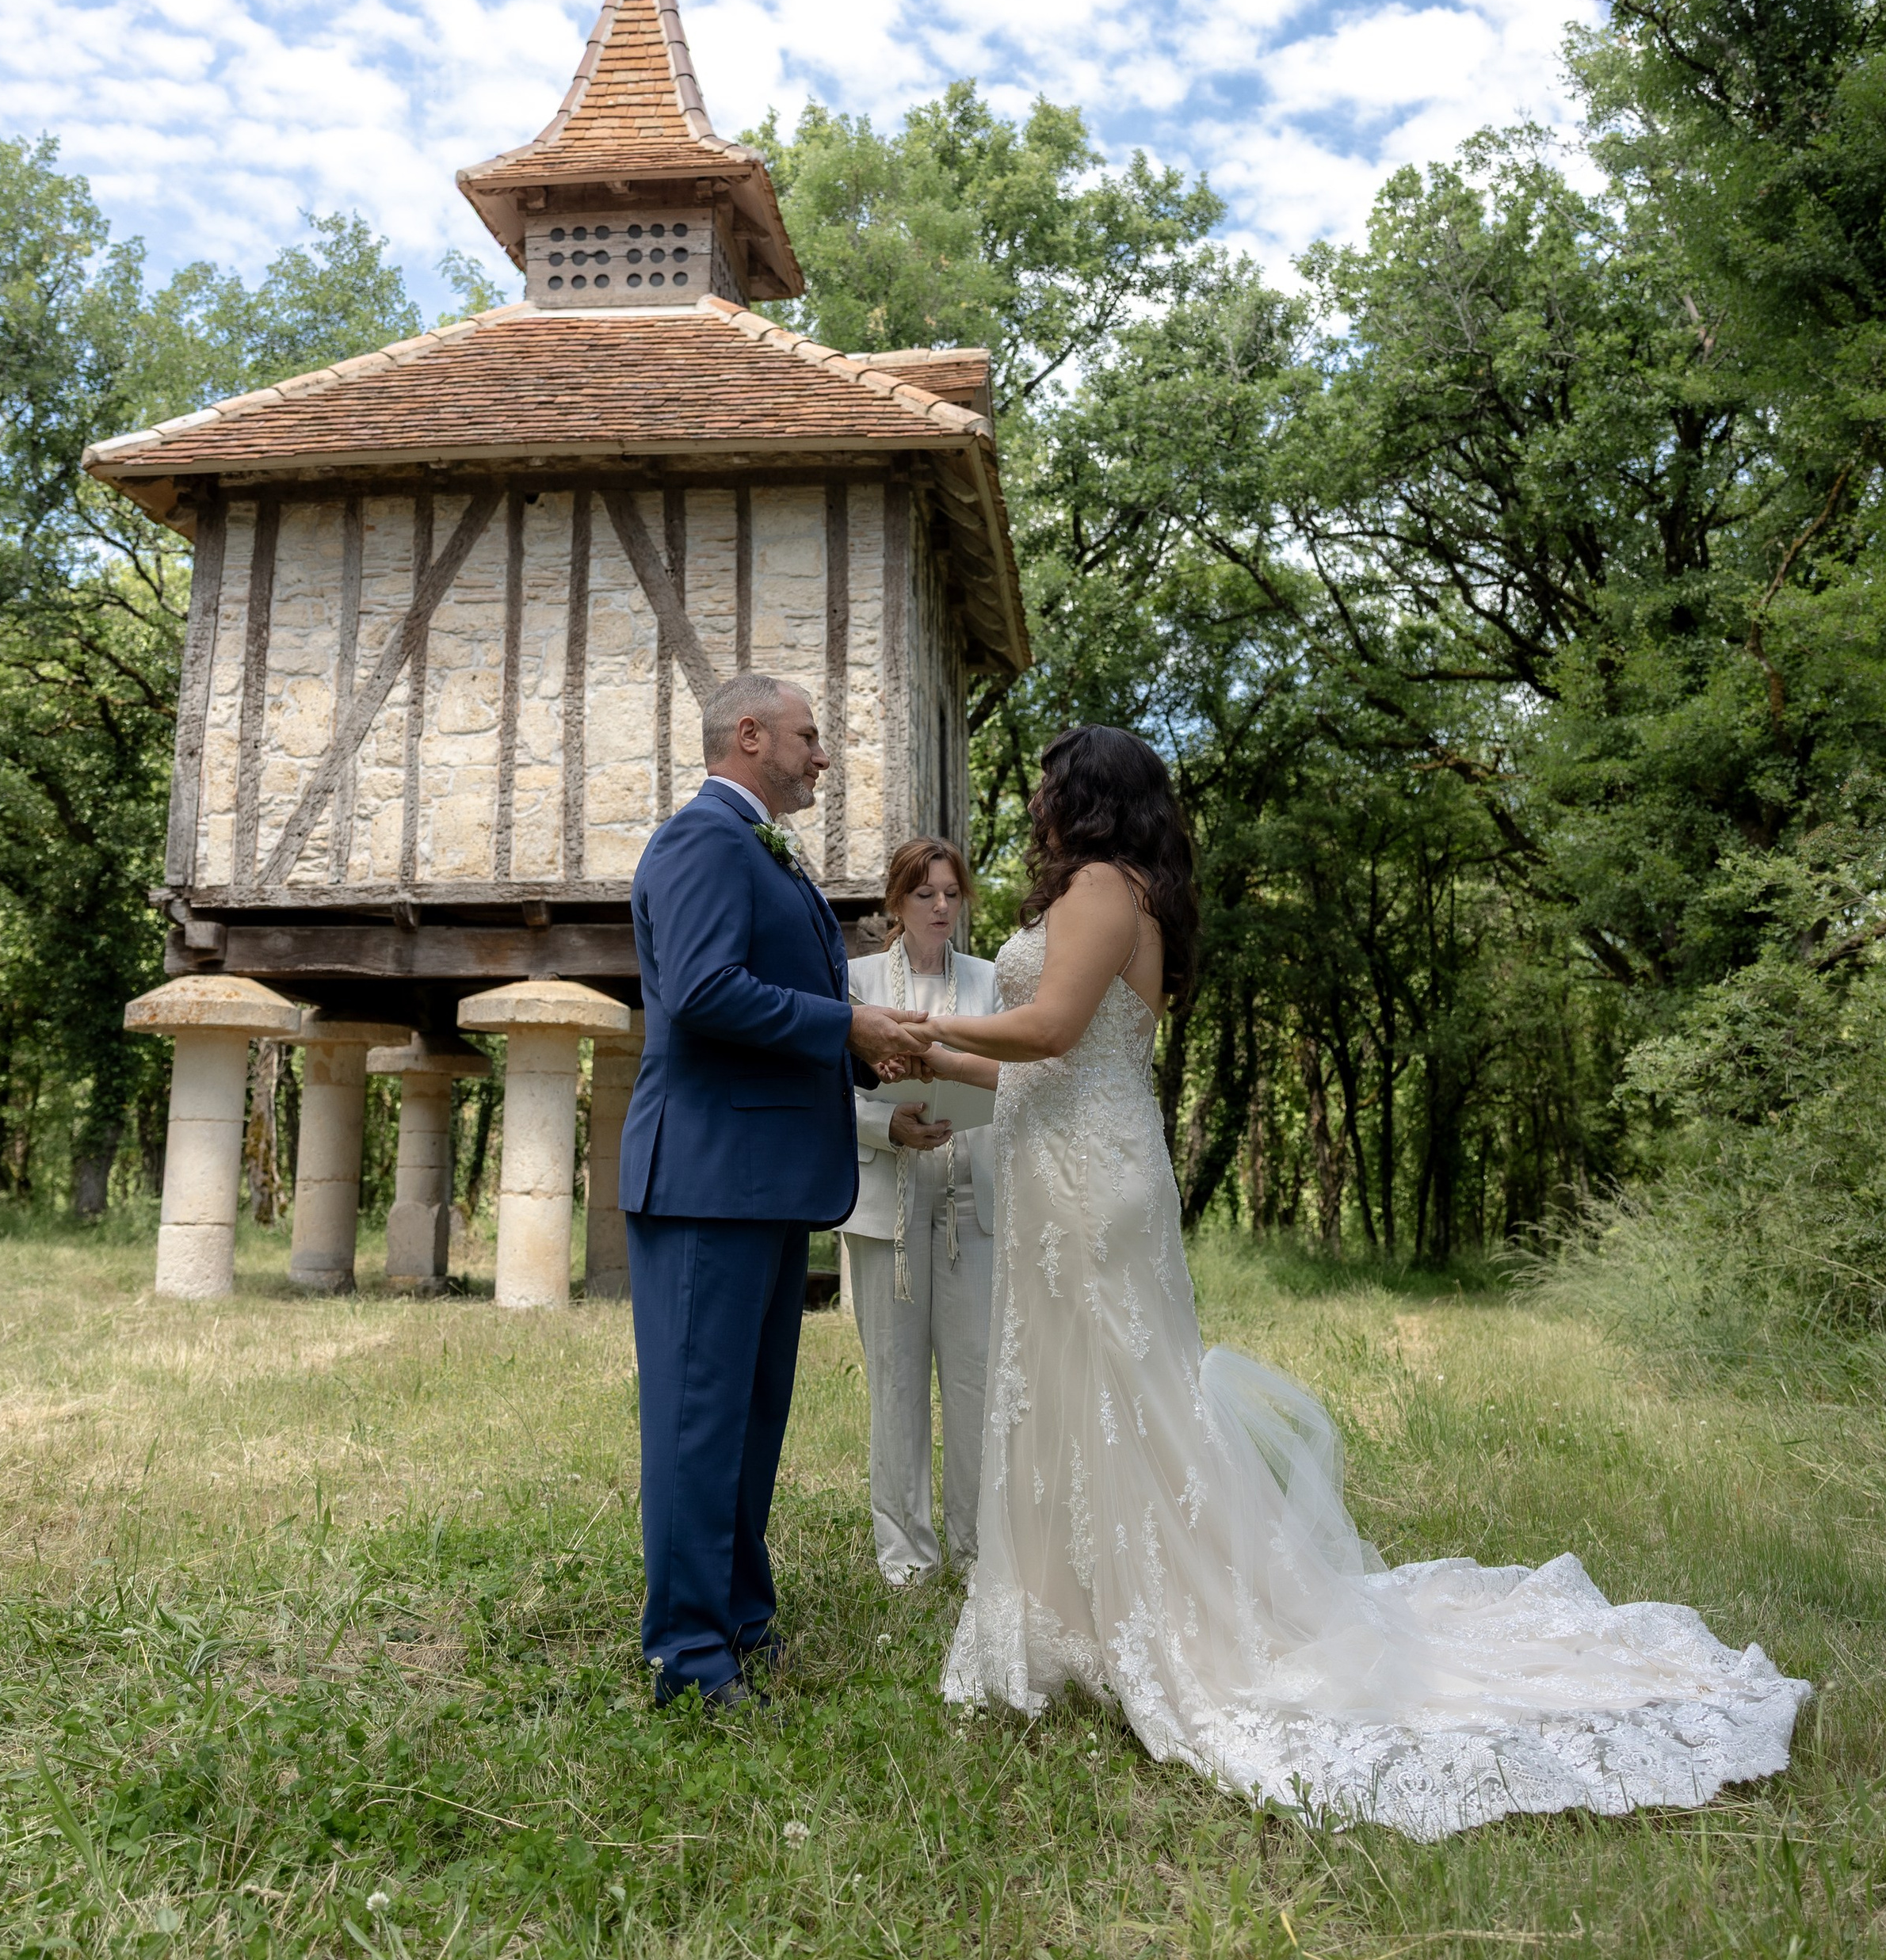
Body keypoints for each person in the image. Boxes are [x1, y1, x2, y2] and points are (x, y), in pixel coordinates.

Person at [898, 724, 1812, 1840]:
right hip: (1071, 1163)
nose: (1037, 803)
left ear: (1086, 797)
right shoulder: (1119, 889)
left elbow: (1051, 1026)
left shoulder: (1101, 887)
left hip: (1092, 1182)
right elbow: (1031, 1056)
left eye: (1049, 785)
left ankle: (1162, 1622)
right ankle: (1079, 1622)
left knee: (1123, 1399)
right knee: (1078, 1396)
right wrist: (934, 1056)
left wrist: (921, 1020)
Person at [620, 671, 924, 1713]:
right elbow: (702, 993)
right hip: (705, 1179)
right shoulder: (703, 839)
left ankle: (742, 1618)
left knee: (749, 1423)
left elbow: (774, 999)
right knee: (698, 1425)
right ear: (748, 736)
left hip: (759, 1182)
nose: (822, 755)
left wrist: (865, 1061)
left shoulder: (762, 848)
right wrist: (848, 1027)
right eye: (808, 736)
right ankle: (689, 1658)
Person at [842, 839, 1002, 1584]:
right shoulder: (856, 982)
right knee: (898, 1387)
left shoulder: (992, 981)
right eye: (924, 895)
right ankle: (905, 1556)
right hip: (888, 1211)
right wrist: (885, 1124)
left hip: (974, 1206)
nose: (942, 907)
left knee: (975, 1383)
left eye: (951, 894)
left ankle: (976, 1552)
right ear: (895, 904)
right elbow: (828, 1090)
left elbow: (1019, 1078)